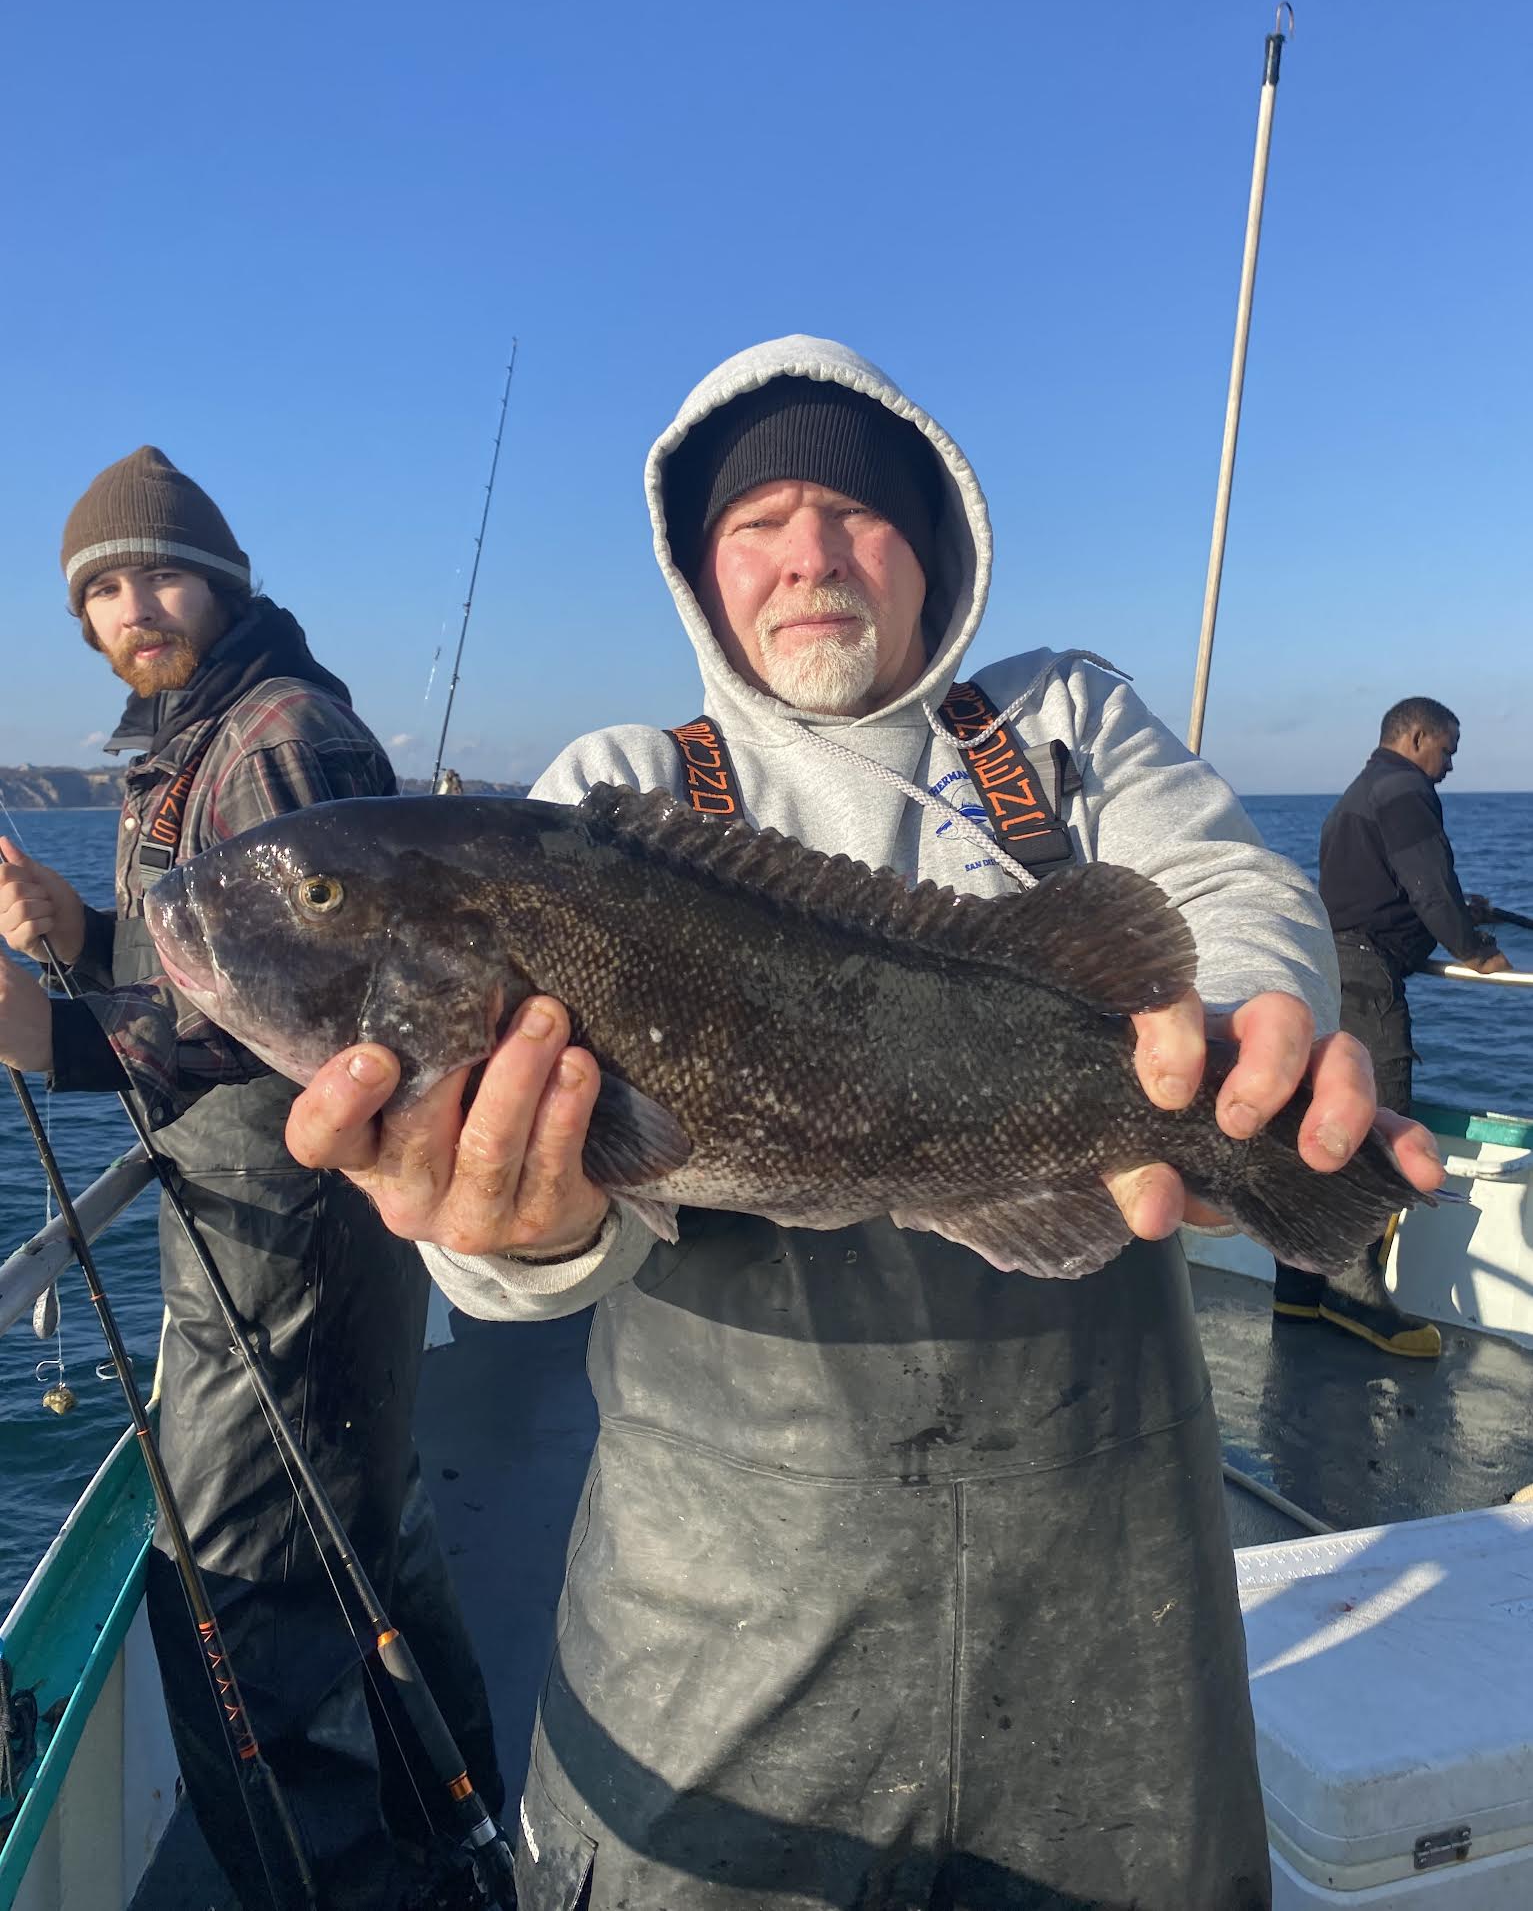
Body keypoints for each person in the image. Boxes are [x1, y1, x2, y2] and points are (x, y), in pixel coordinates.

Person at [66, 358, 1441, 1910]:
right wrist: (515, 1237)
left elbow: (1225, 891)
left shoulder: (1061, 721)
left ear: (934, 542)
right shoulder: (618, 789)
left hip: (1105, 1594)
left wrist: (1247, 1029)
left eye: (855, 511)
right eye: (758, 523)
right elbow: (510, 1273)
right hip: (717, 1613)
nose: (808, 554)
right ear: (698, 567)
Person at [0, 447, 501, 1910]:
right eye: (101, 591)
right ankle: (462, 1859)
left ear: (224, 584)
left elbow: (325, 1013)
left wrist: (53, 1039)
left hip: (297, 1232)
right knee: (364, 1553)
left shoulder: (275, 738)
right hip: (268, 1225)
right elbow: (218, 969)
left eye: (161, 574)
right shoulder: (194, 739)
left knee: (239, 1610)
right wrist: (86, 936)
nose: (132, 608)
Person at [1270, 698, 1510, 1357]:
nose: (1449, 766)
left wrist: (1459, 909)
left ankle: (1298, 1291)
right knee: (1378, 1128)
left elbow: (1381, 891)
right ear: (1416, 737)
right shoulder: (1405, 790)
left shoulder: (1360, 793)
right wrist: (1474, 949)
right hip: (1366, 976)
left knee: (1326, 1124)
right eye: (1447, 749)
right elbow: (1429, 887)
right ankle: (1354, 1298)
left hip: (1333, 967)